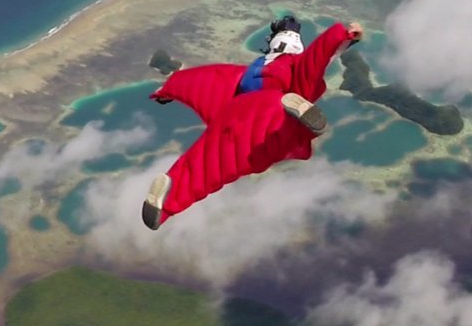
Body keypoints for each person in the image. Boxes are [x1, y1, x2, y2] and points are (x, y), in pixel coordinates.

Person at [140, 14, 365, 228]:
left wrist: (168, 89)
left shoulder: (243, 73)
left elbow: (208, 79)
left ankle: (167, 202)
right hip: (269, 112)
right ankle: (295, 111)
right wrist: (345, 35)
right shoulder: (291, 64)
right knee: (259, 144)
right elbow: (319, 57)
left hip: (239, 113)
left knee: (206, 161)